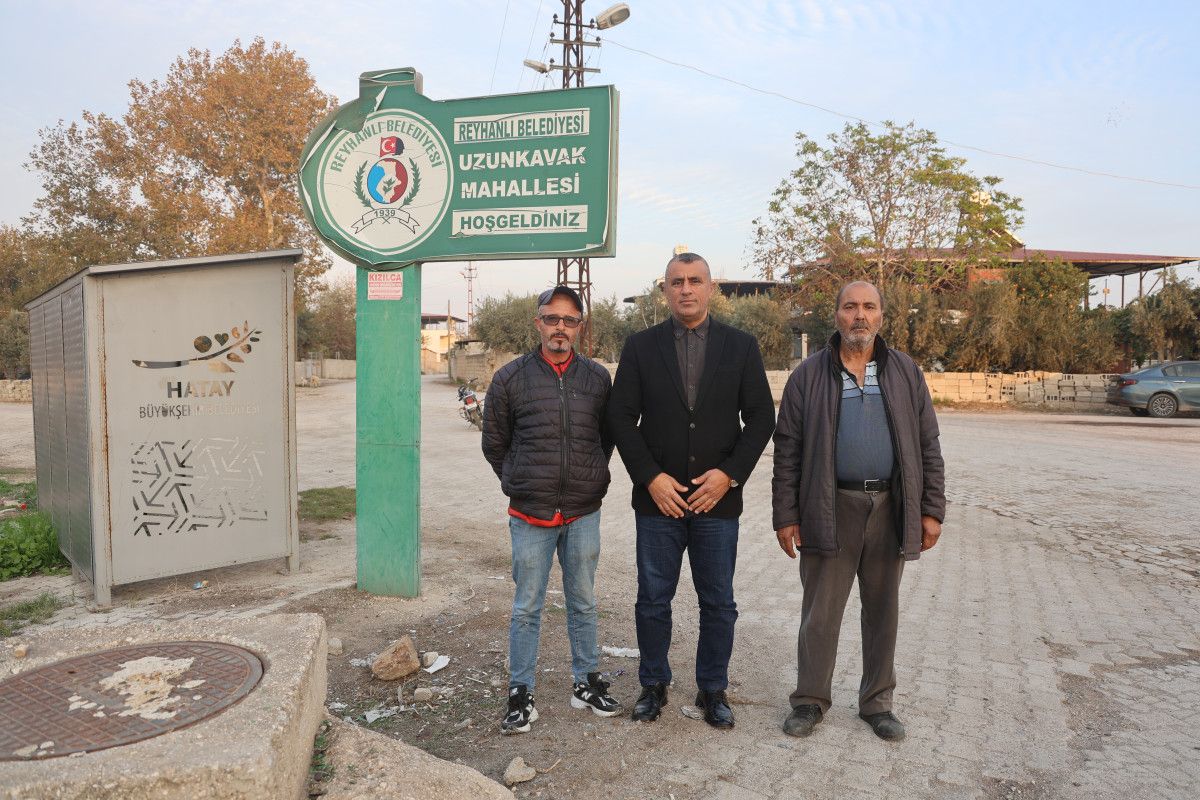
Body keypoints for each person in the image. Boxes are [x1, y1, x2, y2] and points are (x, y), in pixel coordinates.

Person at [771, 280, 945, 742]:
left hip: (891, 507)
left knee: (883, 611)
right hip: (829, 506)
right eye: (850, 307)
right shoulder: (808, 376)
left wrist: (932, 509)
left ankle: (877, 703)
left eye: (869, 307)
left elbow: (928, 443)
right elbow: (787, 450)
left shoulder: (905, 372)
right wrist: (786, 515)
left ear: (881, 315)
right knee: (820, 613)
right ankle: (809, 700)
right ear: (837, 315)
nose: (860, 315)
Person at [608, 252, 776, 729]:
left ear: (710, 289)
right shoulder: (640, 346)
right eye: (677, 281)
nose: (686, 289)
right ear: (665, 290)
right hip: (657, 502)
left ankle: (713, 689)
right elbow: (620, 416)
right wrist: (650, 477)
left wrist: (729, 475)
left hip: (716, 502)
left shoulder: (741, 346)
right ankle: (653, 684)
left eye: (695, 280)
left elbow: (761, 418)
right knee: (652, 600)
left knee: (718, 602)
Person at [482, 285, 619, 735]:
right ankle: (520, 691)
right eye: (552, 318)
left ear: (580, 327)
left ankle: (586, 682)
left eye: (570, 320)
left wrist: (588, 476)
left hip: (583, 512)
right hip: (530, 515)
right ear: (538, 322)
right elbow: (495, 443)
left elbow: (605, 439)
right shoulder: (509, 379)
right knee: (527, 606)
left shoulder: (597, 379)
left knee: (584, 601)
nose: (560, 327)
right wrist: (519, 480)